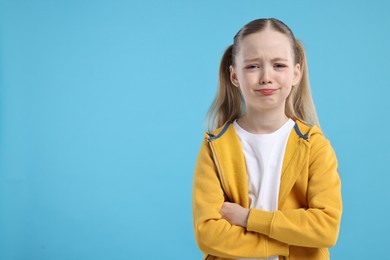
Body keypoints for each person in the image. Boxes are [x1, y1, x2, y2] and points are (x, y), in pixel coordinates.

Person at [192, 18, 342, 260]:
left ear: (296, 73)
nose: (266, 77)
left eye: (279, 65)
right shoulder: (214, 147)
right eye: (252, 66)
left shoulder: (315, 146)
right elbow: (208, 234)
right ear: (234, 76)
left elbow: (326, 228)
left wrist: (247, 218)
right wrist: (286, 242)